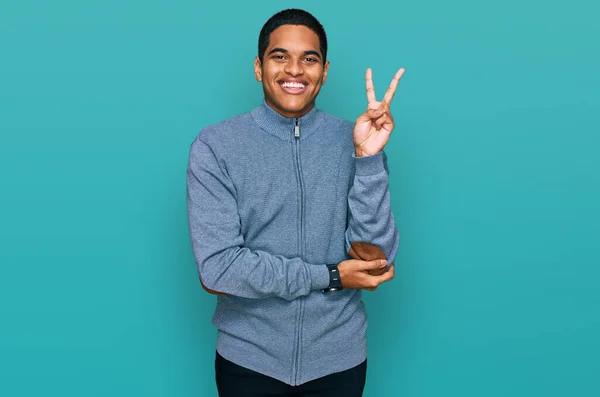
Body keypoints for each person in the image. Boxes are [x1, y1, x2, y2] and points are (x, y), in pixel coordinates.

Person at [186, 8, 404, 397]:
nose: (295, 70)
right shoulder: (216, 147)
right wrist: (331, 276)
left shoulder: (354, 140)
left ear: (324, 71)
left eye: (309, 58)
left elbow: (373, 260)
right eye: (280, 56)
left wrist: (368, 159)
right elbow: (218, 268)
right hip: (249, 360)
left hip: (340, 359)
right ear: (258, 67)